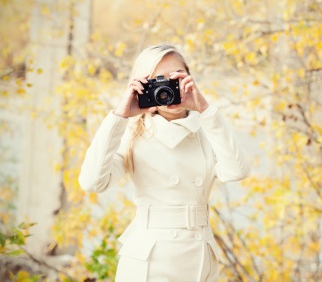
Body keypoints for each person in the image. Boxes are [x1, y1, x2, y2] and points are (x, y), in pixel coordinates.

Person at [78, 43, 250, 282]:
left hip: (199, 259)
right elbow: (92, 182)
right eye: (157, 80)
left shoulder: (207, 130)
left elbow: (237, 171)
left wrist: (204, 109)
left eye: (175, 78)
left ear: (188, 79)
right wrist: (120, 116)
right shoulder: (131, 134)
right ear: (141, 85)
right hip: (149, 261)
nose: (166, 87)